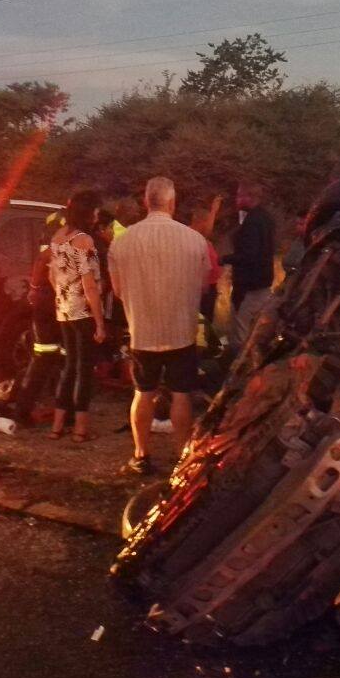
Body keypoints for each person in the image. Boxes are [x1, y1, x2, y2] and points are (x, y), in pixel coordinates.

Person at [109, 177, 210, 475]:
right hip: (181, 330)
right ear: (172, 203)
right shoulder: (194, 239)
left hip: (143, 331)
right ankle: (181, 457)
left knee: (143, 392)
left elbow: (116, 290)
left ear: (146, 202)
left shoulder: (122, 241)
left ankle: (140, 455)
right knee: (181, 394)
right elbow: (203, 286)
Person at [48, 190, 106, 442]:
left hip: (63, 311)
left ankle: (57, 426)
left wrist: (63, 296)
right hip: (83, 312)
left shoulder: (58, 237)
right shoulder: (84, 241)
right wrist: (100, 322)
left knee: (68, 367)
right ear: (87, 211)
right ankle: (81, 428)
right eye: (94, 211)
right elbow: (89, 284)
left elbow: (52, 275)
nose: (97, 216)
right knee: (84, 370)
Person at [221, 180, 275, 352]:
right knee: (258, 331)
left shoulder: (252, 221)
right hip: (263, 283)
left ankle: (238, 369)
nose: (236, 200)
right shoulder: (267, 218)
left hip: (248, 286)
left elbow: (248, 255)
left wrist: (225, 259)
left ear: (249, 197)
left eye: (239, 196)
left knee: (240, 332)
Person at [14, 244, 62, 426]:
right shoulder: (79, 238)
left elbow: (42, 258)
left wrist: (34, 288)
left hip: (45, 301)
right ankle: (65, 414)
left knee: (42, 360)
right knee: (68, 362)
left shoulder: (58, 232)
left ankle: (22, 410)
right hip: (64, 306)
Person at [189, 194, 224, 353]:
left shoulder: (202, 237)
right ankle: (199, 354)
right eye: (207, 221)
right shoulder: (192, 237)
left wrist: (214, 211)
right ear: (200, 222)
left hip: (209, 287)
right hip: (201, 289)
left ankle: (205, 350)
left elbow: (208, 230)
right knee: (200, 322)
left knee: (205, 321)